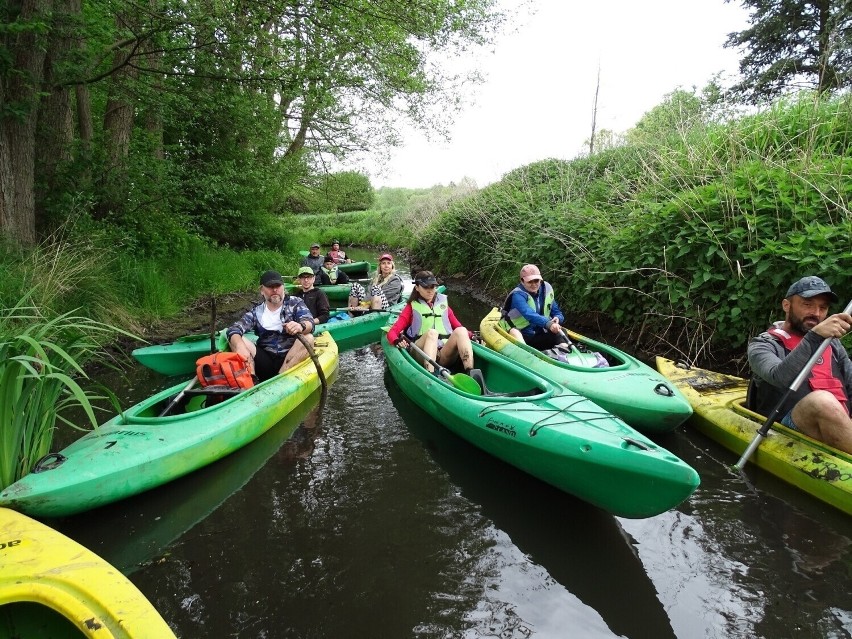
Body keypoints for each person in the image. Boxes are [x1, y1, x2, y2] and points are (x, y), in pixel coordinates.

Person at [747, 275, 852, 454]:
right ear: (786, 305)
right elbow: (779, 378)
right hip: (785, 427)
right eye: (807, 304)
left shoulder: (832, 344)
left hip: (840, 422)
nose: (816, 313)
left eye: (823, 307)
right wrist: (814, 337)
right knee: (821, 401)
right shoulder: (763, 344)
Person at [226, 270, 316, 382]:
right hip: (265, 359)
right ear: (262, 290)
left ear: (283, 287)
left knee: (309, 338)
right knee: (235, 339)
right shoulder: (256, 311)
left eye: (277, 286)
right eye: (270, 287)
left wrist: (300, 326)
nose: (274, 290)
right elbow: (234, 328)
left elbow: (310, 323)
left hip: (291, 356)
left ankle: (281, 377)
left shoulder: (295, 303)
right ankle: (251, 379)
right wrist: (239, 345)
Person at [387, 271, 475, 374]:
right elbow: (392, 332)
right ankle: (431, 374)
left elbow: (458, 326)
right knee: (432, 333)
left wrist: (472, 336)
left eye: (432, 287)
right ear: (417, 287)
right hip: (420, 353)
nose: (430, 291)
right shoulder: (411, 307)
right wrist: (397, 341)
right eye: (426, 287)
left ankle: (471, 372)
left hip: (443, 353)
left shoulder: (443, 305)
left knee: (461, 330)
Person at [500, 264, 566, 351]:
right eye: (530, 282)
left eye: (536, 281)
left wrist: (558, 318)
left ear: (540, 280)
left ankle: (564, 352)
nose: (534, 284)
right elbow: (529, 314)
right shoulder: (518, 295)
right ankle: (525, 354)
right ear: (522, 281)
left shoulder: (546, 291)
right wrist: (549, 324)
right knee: (514, 331)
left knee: (562, 332)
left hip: (538, 334)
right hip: (523, 334)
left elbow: (557, 312)